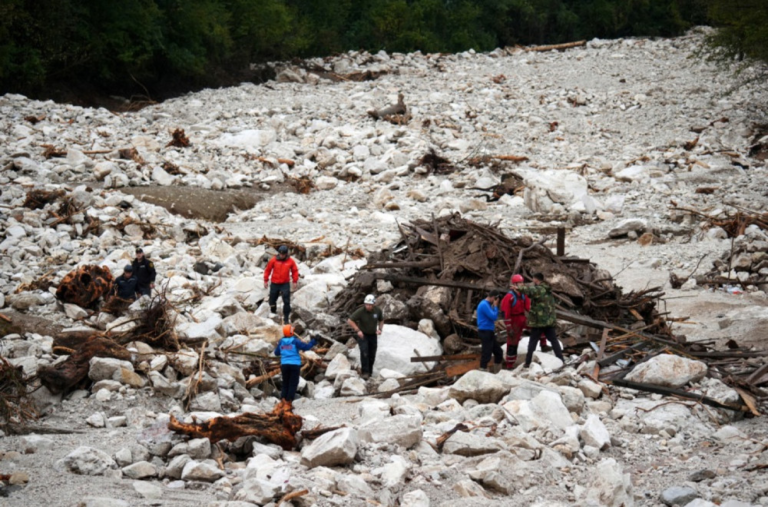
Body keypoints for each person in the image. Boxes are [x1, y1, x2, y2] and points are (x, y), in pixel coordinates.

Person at [512, 272, 565, 368]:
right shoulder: (547, 289)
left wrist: (518, 288)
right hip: (549, 320)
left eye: (533, 279)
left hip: (539, 321)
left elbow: (530, 291)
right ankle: (561, 359)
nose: (533, 281)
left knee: (533, 342)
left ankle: (527, 362)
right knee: (554, 340)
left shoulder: (540, 289)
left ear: (536, 279)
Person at [500, 274, 548, 368]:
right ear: (515, 284)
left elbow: (528, 307)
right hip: (513, 320)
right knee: (513, 342)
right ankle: (509, 364)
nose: (522, 284)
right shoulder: (509, 297)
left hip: (522, 318)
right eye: (520, 283)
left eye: (522, 282)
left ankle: (544, 345)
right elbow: (505, 313)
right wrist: (509, 327)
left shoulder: (523, 294)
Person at [273, 324, 317, 405]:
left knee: (285, 382)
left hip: (284, 365)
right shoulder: (295, 341)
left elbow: (276, 353)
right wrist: (314, 341)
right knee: (293, 383)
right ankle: (289, 401)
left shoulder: (281, 342)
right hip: (294, 364)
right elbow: (306, 347)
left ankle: (283, 399)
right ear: (291, 332)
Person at [347, 294, 384, 379]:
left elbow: (381, 320)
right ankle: (365, 372)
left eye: (370, 305)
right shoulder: (361, 311)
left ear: (373, 304)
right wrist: (358, 330)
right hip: (363, 335)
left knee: (372, 354)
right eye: (367, 304)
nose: (368, 306)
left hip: (373, 335)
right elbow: (350, 320)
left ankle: (370, 372)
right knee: (364, 352)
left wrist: (380, 329)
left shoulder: (377, 311)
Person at [263, 245, 299, 323]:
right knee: (272, 300)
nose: (281, 255)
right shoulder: (273, 260)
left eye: (283, 254)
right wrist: (266, 280)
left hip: (285, 284)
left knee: (286, 301)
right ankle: (273, 312)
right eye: (280, 254)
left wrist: (295, 281)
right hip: (274, 283)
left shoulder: (290, 261)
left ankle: (286, 318)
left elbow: (295, 271)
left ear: (286, 254)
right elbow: (268, 270)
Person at [477, 289, 504, 372]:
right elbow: (494, 317)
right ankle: (483, 369)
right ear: (493, 298)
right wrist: (495, 306)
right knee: (487, 353)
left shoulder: (488, 304)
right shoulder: (484, 304)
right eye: (496, 299)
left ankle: (497, 371)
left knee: (498, 352)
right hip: (484, 331)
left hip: (489, 331)